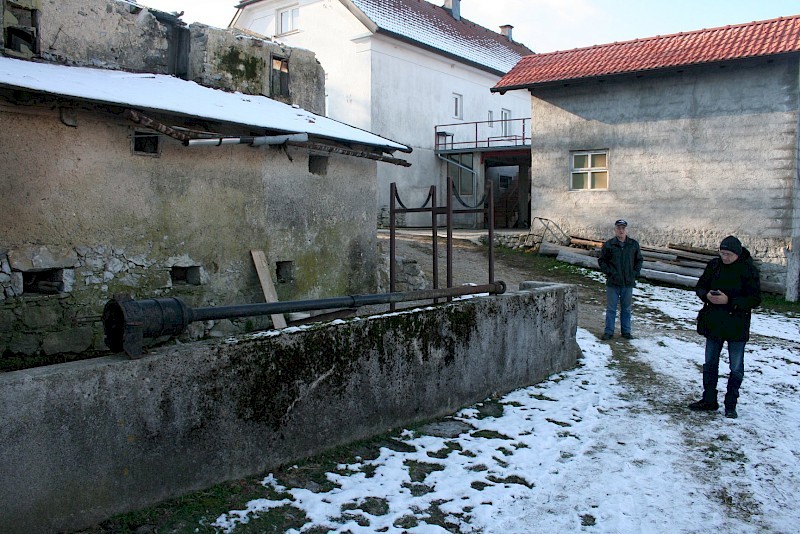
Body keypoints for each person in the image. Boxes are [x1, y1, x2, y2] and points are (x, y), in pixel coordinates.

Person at [689, 235, 761, 419]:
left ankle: (731, 404)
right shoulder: (714, 265)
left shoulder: (748, 270)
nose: (725, 257)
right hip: (714, 321)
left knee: (736, 367)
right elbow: (700, 286)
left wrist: (730, 301)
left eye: (728, 254)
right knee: (710, 363)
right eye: (722, 253)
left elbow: (755, 299)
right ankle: (709, 399)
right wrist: (706, 296)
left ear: (737, 254)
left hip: (737, 324)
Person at [598, 219, 643, 340]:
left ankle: (626, 332)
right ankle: (609, 332)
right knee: (611, 309)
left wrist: (634, 273)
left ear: (626, 229)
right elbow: (602, 261)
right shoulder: (609, 245)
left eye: (623, 228)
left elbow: (639, 260)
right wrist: (610, 272)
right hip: (613, 283)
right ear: (615, 229)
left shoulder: (633, 244)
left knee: (626, 309)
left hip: (627, 283)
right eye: (618, 228)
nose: (621, 230)